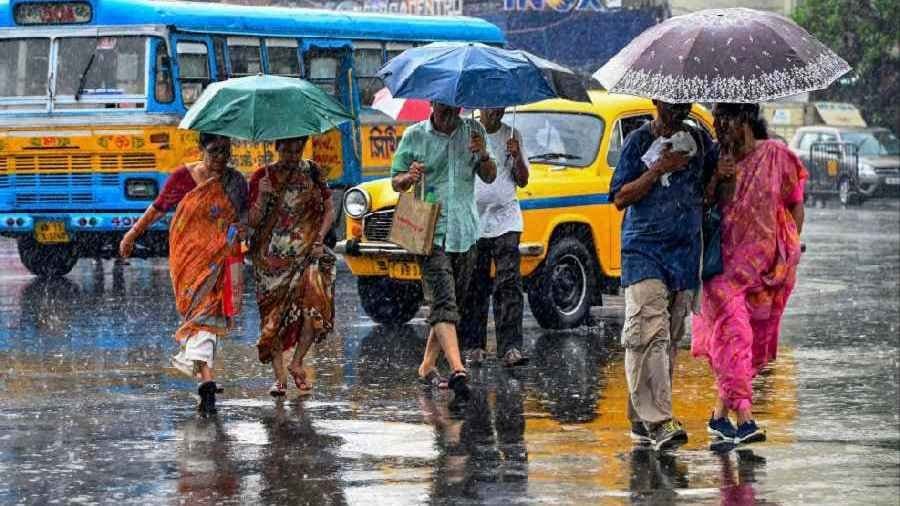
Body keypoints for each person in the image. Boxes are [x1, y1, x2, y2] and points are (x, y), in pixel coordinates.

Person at [692, 103, 807, 445]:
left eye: (726, 119)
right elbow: (699, 206)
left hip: (764, 270)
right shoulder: (712, 159)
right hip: (721, 269)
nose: (720, 126)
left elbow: (794, 202)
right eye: (717, 119)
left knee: (746, 347)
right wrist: (717, 179)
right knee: (736, 335)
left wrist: (790, 248)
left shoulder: (776, 156)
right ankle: (744, 418)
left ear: (745, 119)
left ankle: (718, 417)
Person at [610, 100, 716, 450]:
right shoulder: (638, 142)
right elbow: (620, 197)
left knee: (667, 339)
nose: (678, 110)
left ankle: (642, 417)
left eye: (683, 105)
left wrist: (721, 175)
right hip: (644, 250)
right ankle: (660, 420)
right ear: (656, 102)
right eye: (671, 105)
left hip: (683, 255)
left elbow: (707, 196)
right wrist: (657, 169)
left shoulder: (700, 142)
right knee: (646, 332)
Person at [119, 133, 248, 414]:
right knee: (200, 316)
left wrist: (245, 236)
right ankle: (206, 378)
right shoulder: (182, 177)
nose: (220, 158)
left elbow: (244, 219)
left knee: (208, 315)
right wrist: (131, 234)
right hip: (188, 260)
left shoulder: (236, 182)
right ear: (201, 149)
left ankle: (206, 380)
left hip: (222, 258)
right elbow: (157, 209)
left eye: (226, 151)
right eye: (214, 151)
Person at [391, 102, 497, 401]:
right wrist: (408, 177)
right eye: (442, 106)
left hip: (465, 230)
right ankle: (458, 369)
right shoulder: (414, 136)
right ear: (432, 104)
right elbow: (395, 180)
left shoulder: (474, 131)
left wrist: (484, 154)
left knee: (451, 306)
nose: (448, 112)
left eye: (453, 106)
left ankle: (426, 365)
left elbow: (489, 175)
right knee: (443, 302)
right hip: (430, 232)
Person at [247, 136, 336, 397]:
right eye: (286, 149)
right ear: (276, 148)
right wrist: (262, 198)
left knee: (315, 308)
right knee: (273, 319)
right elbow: (252, 221)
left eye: (297, 149)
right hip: (270, 260)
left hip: (308, 255)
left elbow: (329, 209)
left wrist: (319, 238)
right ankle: (279, 378)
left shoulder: (314, 172)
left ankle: (297, 362)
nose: (292, 155)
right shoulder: (261, 177)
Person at [459, 107, 529, 368]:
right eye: (490, 108)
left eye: (499, 107)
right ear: (480, 108)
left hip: (507, 220)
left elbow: (522, 180)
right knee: (475, 285)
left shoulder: (513, 135)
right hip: (474, 221)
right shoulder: (467, 133)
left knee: (508, 283)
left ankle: (510, 346)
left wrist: (517, 156)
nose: (496, 113)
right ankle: (474, 345)